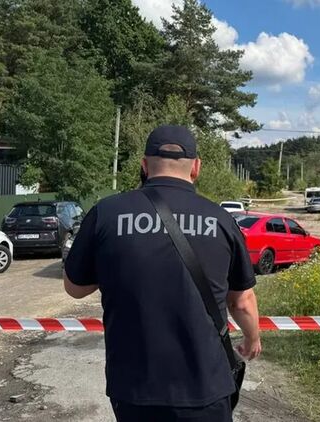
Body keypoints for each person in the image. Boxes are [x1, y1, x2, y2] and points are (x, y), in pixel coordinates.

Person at [63, 125, 261, 422]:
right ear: (196, 167)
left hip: (134, 387)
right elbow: (242, 301)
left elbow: (75, 288)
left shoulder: (106, 213)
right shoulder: (221, 219)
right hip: (205, 386)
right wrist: (252, 338)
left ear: (144, 165)